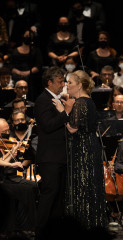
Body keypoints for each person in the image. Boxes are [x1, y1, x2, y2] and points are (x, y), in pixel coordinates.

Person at [52, 70, 108, 229]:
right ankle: (92, 223)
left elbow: (72, 128)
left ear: (80, 85)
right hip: (90, 146)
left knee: (83, 186)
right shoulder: (87, 101)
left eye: (70, 83)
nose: (66, 85)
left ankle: (83, 224)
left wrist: (62, 110)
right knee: (89, 186)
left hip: (84, 149)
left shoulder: (81, 102)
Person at [34, 66, 75, 236]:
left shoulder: (56, 99)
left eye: (64, 81)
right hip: (49, 158)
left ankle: (54, 232)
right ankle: (40, 231)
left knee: (58, 196)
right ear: (49, 82)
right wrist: (66, 112)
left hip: (60, 157)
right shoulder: (43, 100)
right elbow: (48, 126)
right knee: (49, 195)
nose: (63, 85)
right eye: (59, 82)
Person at [0, 116, 38, 238]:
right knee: (24, 190)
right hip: (2, 181)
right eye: (4, 132)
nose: (7, 133)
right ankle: (20, 227)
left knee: (28, 189)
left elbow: (3, 161)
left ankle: (25, 226)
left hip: (3, 179)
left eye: (7, 130)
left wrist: (14, 149)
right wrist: (12, 163)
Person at [8, 29, 43, 101]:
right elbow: (11, 66)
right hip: (17, 75)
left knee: (33, 81)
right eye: (26, 35)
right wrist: (19, 72)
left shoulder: (36, 50)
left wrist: (27, 72)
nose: (28, 37)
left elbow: (38, 65)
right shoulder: (15, 50)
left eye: (30, 36)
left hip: (31, 75)